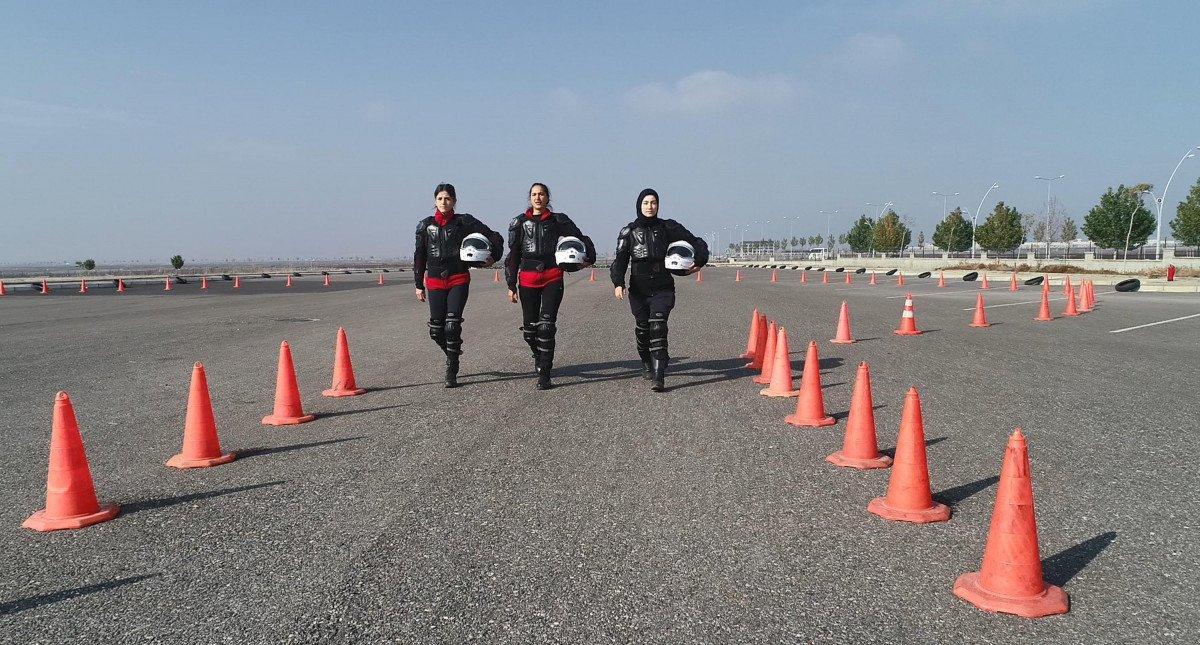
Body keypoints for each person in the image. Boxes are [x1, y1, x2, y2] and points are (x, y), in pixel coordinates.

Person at [610, 188, 709, 391]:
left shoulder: (668, 227)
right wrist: (618, 282)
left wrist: (700, 260)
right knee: (643, 330)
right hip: (638, 289)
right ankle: (647, 362)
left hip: (663, 286)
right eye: (646, 203)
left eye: (653, 202)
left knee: (658, 326)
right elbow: (619, 260)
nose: (650, 206)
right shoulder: (628, 231)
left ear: (658, 205)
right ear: (639, 205)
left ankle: (658, 376)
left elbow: (696, 241)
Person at [504, 182, 596, 390]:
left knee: (546, 327)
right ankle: (539, 355)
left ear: (547, 198)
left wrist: (589, 257)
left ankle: (545, 373)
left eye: (542, 194)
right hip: (527, 279)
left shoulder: (558, 220)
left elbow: (580, 237)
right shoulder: (518, 223)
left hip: (552, 276)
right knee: (530, 331)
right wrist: (511, 284)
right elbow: (513, 255)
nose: (538, 198)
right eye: (534, 194)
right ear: (530, 198)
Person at [414, 183, 504, 388]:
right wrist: (418, 284)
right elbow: (419, 256)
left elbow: (495, 236)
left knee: (452, 326)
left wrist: (492, 257)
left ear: (454, 201)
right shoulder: (424, 226)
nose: (443, 202)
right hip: (434, 281)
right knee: (436, 330)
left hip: (458, 279)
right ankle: (453, 351)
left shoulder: (465, 222)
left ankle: (451, 367)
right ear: (434, 201)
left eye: (447, 198)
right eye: (439, 199)